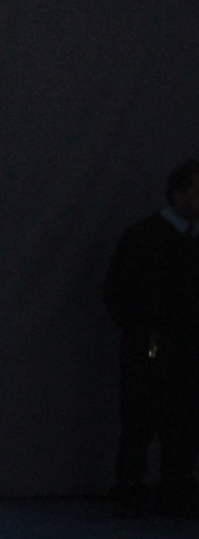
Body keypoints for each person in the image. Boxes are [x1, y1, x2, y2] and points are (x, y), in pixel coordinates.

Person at [103, 159, 199, 518]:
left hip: (187, 349)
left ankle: (176, 488)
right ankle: (130, 489)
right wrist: (144, 331)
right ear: (178, 194)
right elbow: (116, 292)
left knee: (185, 423)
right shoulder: (143, 238)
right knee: (140, 421)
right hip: (149, 346)